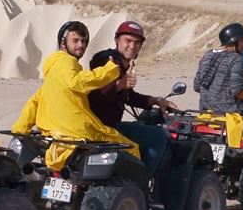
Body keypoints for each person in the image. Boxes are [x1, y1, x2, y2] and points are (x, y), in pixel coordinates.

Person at [11, 21, 140, 161]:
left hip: (55, 130)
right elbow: (77, 82)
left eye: (84, 41)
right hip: (75, 129)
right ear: (62, 42)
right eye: (75, 41)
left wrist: (20, 129)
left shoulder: (55, 68)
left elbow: (35, 101)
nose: (81, 45)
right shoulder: (66, 62)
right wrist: (109, 70)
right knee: (131, 148)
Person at [88, 21, 175, 175]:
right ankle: (142, 182)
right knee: (159, 137)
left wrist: (158, 100)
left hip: (106, 126)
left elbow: (129, 97)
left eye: (137, 42)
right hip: (104, 128)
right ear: (117, 40)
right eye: (127, 40)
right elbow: (96, 94)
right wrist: (120, 85)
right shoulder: (107, 60)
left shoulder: (123, 65)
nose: (132, 46)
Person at [194, 23, 243, 114]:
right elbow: (237, 90)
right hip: (232, 116)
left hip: (207, 114)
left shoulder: (207, 56)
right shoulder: (236, 59)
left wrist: (213, 97)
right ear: (233, 41)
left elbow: (197, 86)